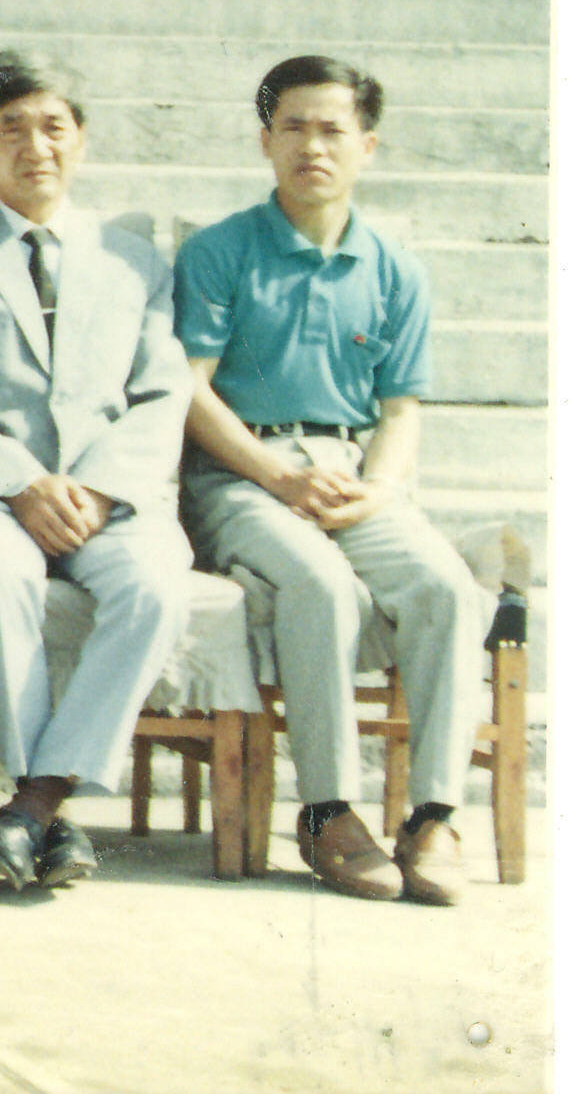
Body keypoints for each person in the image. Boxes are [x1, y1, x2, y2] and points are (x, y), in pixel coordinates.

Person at [0, 50, 192, 892]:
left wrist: (93, 488)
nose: (35, 146)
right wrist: (20, 482)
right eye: (10, 128)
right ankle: (43, 807)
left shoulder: (133, 259)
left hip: (106, 498)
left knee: (156, 588)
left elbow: (162, 395)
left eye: (54, 127)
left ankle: (32, 805)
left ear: (81, 139)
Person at [174, 54, 478, 904]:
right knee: (319, 583)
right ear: (266, 141)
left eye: (333, 130)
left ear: (367, 146)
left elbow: (400, 410)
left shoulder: (395, 270)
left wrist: (378, 490)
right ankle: (328, 812)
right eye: (294, 128)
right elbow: (190, 391)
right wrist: (277, 476)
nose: (313, 146)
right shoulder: (219, 252)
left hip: (349, 474)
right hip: (239, 475)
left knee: (446, 587)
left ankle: (434, 816)